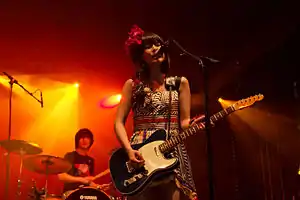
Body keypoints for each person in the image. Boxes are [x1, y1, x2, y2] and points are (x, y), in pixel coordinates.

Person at [114, 25, 201, 200]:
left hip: (171, 150)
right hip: (140, 152)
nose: (156, 48)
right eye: (149, 46)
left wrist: (193, 125)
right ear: (140, 56)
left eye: (158, 43)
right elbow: (118, 122)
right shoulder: (132, 86)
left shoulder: (179, 84)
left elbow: (184, 122)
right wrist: (129, 151)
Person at [58, 128, 110, 194]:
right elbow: (62, 176)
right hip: (71, 192)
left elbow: (89, 182)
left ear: (91, 141)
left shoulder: (90, 161)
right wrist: (81, 180)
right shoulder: (70, 156)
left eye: (87, 138)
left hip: (86, 193)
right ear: (77, 140)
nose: (84, 140)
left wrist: (98, 187)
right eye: (81, 137)